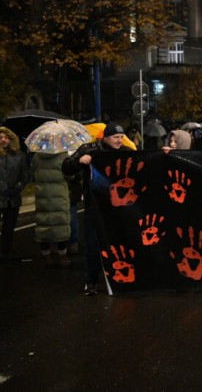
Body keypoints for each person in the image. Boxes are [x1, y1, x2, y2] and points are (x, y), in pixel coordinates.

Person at [63, 122, 134, 295]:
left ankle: (122, 278)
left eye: (121, 137)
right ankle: (91, 281)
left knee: (121, 244)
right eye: (115, 137)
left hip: (118, 208)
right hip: (95, 206)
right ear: (106, 137)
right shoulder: (89, 149)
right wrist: (79, 161)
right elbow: (66, 167)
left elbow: (146, 162)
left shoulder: (125, 152)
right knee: (93, 245)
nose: (119, 140)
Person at [32, 150, 71, 267]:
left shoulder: (36, 157)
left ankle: (45, 254)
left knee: (43, 223)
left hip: (42, 193)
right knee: (61, 223)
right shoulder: (63, 156)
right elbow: (69, 176)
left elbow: (33, 173)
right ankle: (62, 255)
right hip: (59, 194)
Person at [0, 127, 31, 260]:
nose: (3, 140)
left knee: (9, 226)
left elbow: (25, 175)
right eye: (0, 138)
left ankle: (6, 250)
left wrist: (17, 188)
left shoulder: (20, 156)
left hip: (13, 198)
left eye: (5, 137)